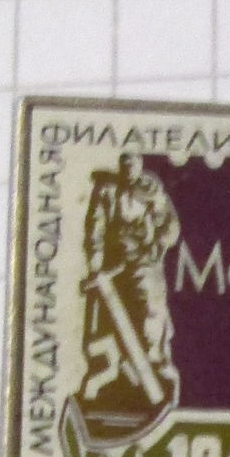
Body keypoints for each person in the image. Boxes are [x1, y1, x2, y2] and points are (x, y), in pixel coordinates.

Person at [84, 147, 180, 370]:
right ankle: (117, 365)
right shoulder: (106, 191)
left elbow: (170, 225)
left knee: (151, 307)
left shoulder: (152, 189)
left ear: (140, 166)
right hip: (113, 263)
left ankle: (155, 358)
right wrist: (95, 264)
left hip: (145, 260)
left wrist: (159, 243)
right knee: (113, 315)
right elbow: (95, 228)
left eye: (133, 165)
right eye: (125, 165)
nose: (129, 170)